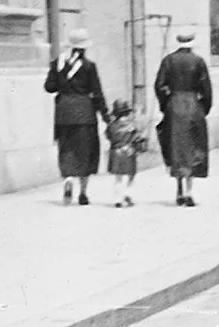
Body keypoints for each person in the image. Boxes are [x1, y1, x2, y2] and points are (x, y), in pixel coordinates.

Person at [44, 27, 107, 206]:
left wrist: (62, 84)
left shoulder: (57, 63)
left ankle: (67, 180)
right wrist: (105, 115)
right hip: (85, 113)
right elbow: (97, 92)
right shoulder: (89, 66)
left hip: (63, 112)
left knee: (66, 149)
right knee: (86, 151)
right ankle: (83, 193)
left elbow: (49, 87)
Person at [153, 29, 213, 207]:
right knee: (193, 147)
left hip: (175, 106)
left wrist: (166, 104)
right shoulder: (198, 61)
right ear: (192, 42)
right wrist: (204, 107)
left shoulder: (169, 60)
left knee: (176, 147)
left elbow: (159, 85)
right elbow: (206, 88)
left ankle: (179, 189)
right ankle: (189, 191)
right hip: (193, 105)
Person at [104, 100, 148, 207]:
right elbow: (138, 138)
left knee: (118, 177)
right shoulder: (132, 126)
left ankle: (117, 199)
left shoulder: (112, 126)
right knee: (131, 175)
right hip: (129, 152)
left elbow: (108, 136)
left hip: (116, 152)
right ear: (127, 112)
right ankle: (127, 193)